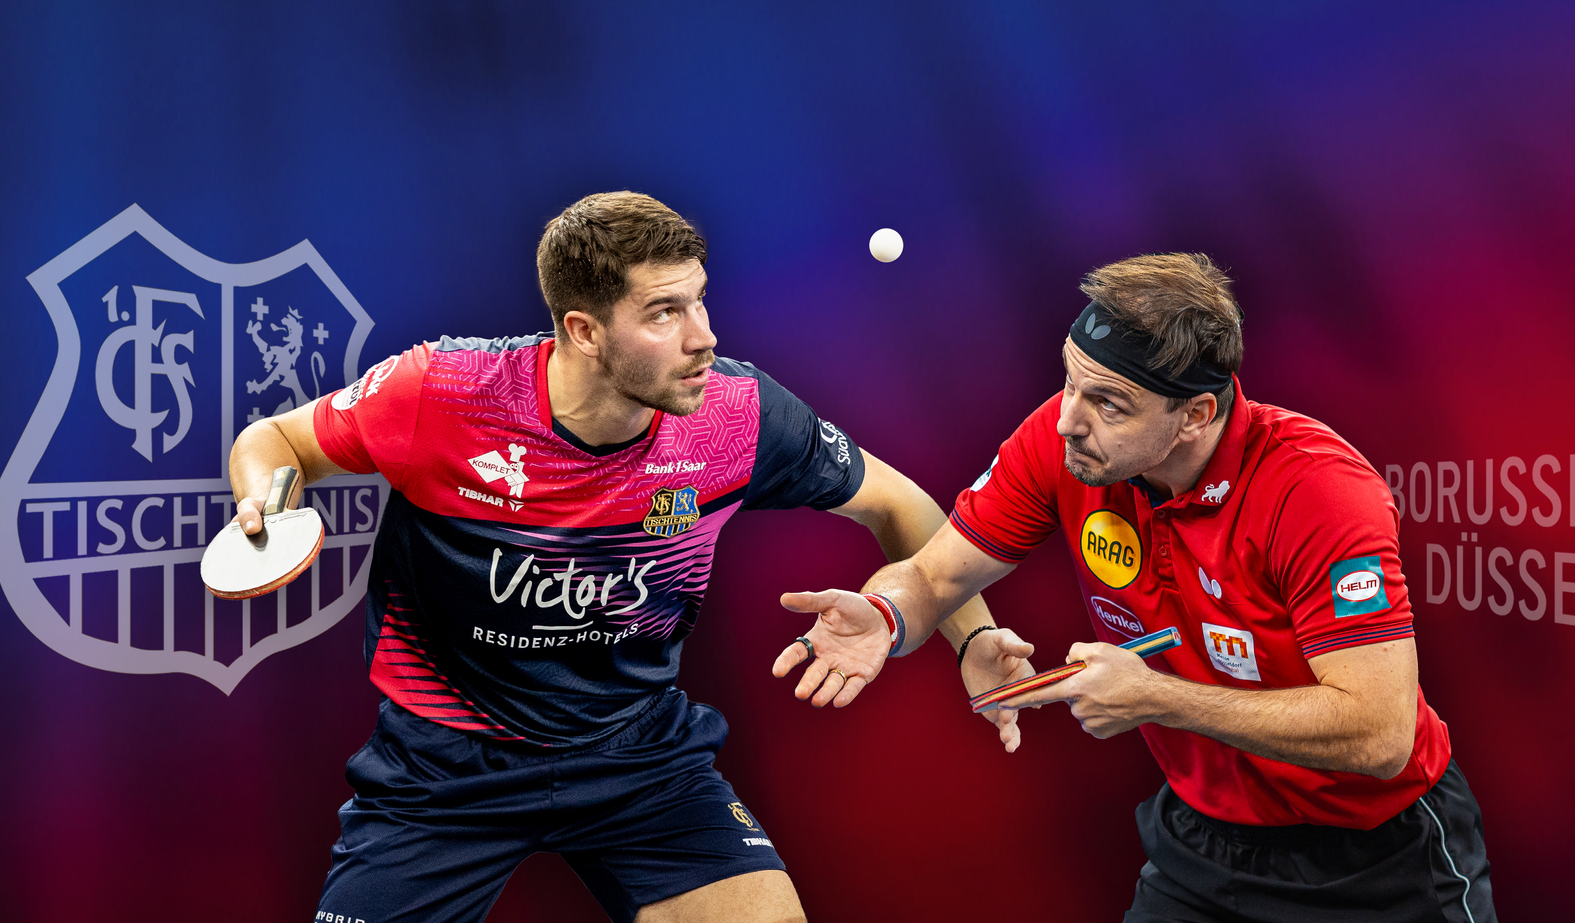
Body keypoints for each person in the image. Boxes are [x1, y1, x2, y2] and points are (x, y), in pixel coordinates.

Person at [224, 191, 1011, 923]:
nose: (703, 336)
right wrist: (269, 504)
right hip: (443, 768)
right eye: (664, 312)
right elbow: (278, 440)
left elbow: (901, 504)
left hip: (639, 757)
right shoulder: (444, 393)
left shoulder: (738, 415)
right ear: (584, 330)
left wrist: (971, 636)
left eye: (699, 299)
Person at [775, 253, 1494, 922]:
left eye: (1109, 403)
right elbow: (935, 575)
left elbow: (1379, 735)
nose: (1067, 420)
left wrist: (1155, 696)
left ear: (1196, 415)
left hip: (1377, 856)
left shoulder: (1317, 491)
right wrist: (886, 613)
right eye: (1069, 381)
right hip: (1202, 844)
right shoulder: (1062, 444)